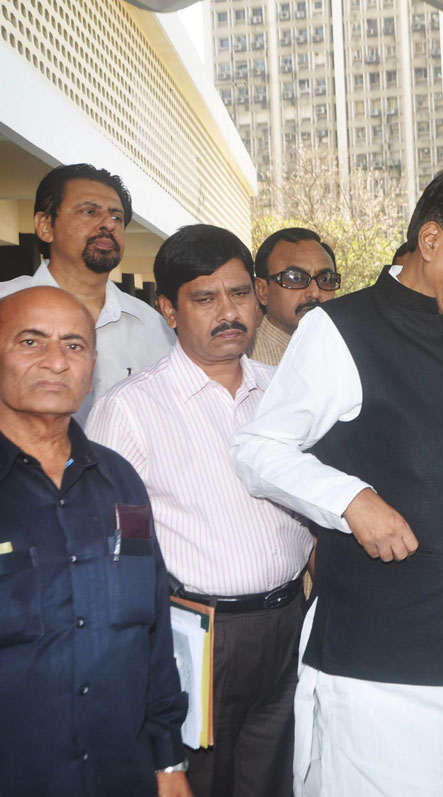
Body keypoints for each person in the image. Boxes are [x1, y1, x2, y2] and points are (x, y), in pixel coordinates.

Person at [232, 165, 443, 795]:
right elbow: (259, 448)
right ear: (431, 241)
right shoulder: (340, 331)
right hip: (378, 667)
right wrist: (351, 500)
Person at [87, 225, 312, 797]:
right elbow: (111, 556)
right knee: (197, 784)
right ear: (168, 309)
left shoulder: (284, 392)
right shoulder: (130, 411)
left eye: (239, 294)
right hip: (196, 637)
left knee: (275, 783)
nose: (228, 312)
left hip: (291, 623)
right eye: (205, 298)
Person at [0, 286, 189, 796]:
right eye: (31, 342)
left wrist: (168, 763)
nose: (57, 362)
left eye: (75, 345)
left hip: (121, 774)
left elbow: (151, 632)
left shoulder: (120, 481)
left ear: (93, 366)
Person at [0, 164, 174, 423]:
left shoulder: (154, 328)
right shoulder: (5, 305)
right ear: (46, 225)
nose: (108, 224)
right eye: (89, 211)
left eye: (117, 217)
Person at [248, 228, 340, 366]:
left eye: (325, 279)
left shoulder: (346, 352)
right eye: (296, 278)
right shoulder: (242, 360)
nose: (314, 293)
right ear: (262, 291)